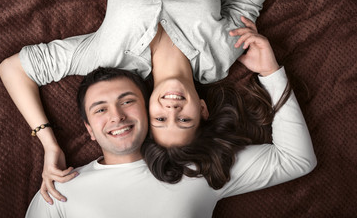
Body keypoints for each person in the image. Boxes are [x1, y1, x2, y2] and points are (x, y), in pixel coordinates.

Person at [0, 0, 273, 204]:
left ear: (145, 110)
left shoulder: (110, 58)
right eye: (185, 120)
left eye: (161, 120)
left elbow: (13, 70)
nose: (172, 110)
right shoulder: (222, 55)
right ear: (202, 109)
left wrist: (49, 144)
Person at [26, 57, 316, 217]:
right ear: (88, 129)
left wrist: (270, 71)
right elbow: (15, 70)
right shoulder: (59, 191)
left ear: (150, 107)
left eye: (128, 101)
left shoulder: (197, 167)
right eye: (100, 109)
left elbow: (296, 160)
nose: (116, 116)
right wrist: (48, 143)